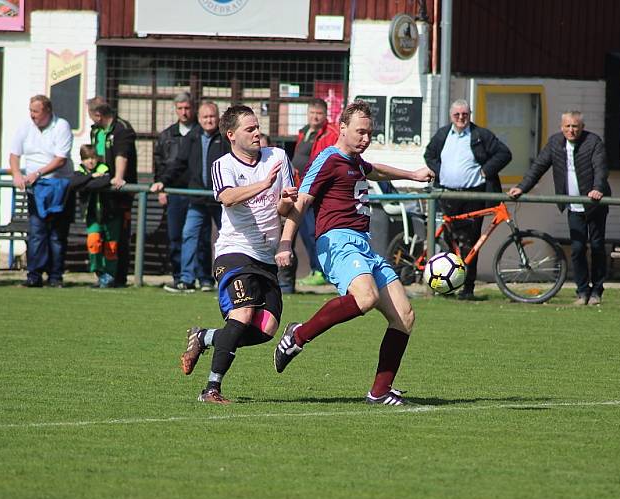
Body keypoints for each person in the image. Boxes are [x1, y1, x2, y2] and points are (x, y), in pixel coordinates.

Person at [273, 100, 434, 406]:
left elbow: (376, 171)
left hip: (363, 244)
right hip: (337, 241)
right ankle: (297, 336)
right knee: (366, 297)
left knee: (405, 316)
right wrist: (285, 243)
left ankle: (380, 391)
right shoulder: (327, 159)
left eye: (369, 133)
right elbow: (301, 202)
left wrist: (412, 175)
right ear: (342, 128)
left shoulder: (357, 161)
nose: (365, 138)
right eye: (360, 132)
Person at [177, 105, 297, 404]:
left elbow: (288, 208)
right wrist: (264, 185)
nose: (257, 133)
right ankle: (211, 389)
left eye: (258, 127)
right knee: (242, 314)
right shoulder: (223, 165)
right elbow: (228, 198)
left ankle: (203, 337)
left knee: (267, 328)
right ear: (231, 135)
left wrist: (284, 227)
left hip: (266, 256)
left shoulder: (278, 157)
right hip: (234, 251)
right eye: (249, 129)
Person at [508, 110, 611, 305]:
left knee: (597, 246)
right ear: (561, 126)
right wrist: (522, 187)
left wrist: (598, 189)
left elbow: (601, 168)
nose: (571, 130)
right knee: (578, 248)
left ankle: (596, 291)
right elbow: (538, 166)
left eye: (575, 126)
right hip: (573, 205)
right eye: (568, 126)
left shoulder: (593, 142)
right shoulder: (555, 143)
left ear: (582, 127)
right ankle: (582, 292)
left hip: (594, 205)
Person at [424, 99, 512, 299]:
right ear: (451, 116)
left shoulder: (481, 135)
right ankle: (445, 287)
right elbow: (429, 155)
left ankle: (468, 287)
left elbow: (504, 154)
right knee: (449, 241)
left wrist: (484, 171)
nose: (461, 118)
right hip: (448, 194)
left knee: (471, 243)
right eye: (457, 115)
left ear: (469, 114)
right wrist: (442, 173)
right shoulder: (442, 134)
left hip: (473, 195)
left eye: (465, 114)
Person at [151, 100, 226, 293]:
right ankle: (186, 279)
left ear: (218, 118)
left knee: (228, 238)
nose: (209, 120)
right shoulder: (192, 137)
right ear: (199, 119)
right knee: (189, 235)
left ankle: (226, 279)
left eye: (212, 116)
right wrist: (163, 181)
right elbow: (179, 163)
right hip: (198, 198)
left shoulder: (225, 138)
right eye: (205, 117)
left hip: (222, 199)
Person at [9, 95, 74, 288]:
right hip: (35, 188)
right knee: (37, 232)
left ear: (47, 111)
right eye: (30, 111)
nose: (32, 115)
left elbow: (60, 158)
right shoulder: (25, 127)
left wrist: (38, 173)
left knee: (56, 234)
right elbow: (14, 154)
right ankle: (34, 275)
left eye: (36, 111)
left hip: (58, 186)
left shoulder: (61, 126)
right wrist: (16, 175)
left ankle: (55, 276)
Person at [283, 98, 340, 290]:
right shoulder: (304, 132)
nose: (315, 117)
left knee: (312, 231)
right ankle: (314, 270)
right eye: (312, 113)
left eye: (319, 114)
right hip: (300, 189)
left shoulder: (330, 133)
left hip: (316, 191)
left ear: (325, 115)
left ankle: (320, 271)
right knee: (300, 232)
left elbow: (330, 159)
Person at [88, 97, 137, 287]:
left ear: (98, 115)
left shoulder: (122, 128)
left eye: (92, 116)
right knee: (97, 234)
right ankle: (101, 274)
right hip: (100, 191)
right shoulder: (96, 131)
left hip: (119, 194)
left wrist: (118, 177)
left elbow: (121, 155)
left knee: (118, 235)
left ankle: (118, 277)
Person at [153, 92, 196, 287]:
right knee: (175, 236)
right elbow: (159, 164)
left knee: (199, 238)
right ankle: (179, 277)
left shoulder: (200, 132)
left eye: (187, 108)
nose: (184, 112)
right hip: (175, 192)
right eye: (180, 108)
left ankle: (199, 277)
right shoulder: (166, 135)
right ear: (175, 109)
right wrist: (162, 188)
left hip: (196, 192)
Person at [71, 144, 120, 288]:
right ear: (82, 160)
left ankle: (110, 275)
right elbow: (74, 183)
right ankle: (99, 272)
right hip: (92, 216)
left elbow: (103, 181)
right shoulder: (80, 171)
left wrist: (88, 182)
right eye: (86, 159)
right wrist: (91, 177)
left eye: (92, 158)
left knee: (111, 246)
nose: (90, 161)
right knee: (93, 241)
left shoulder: (104, 168)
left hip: (110, 214)